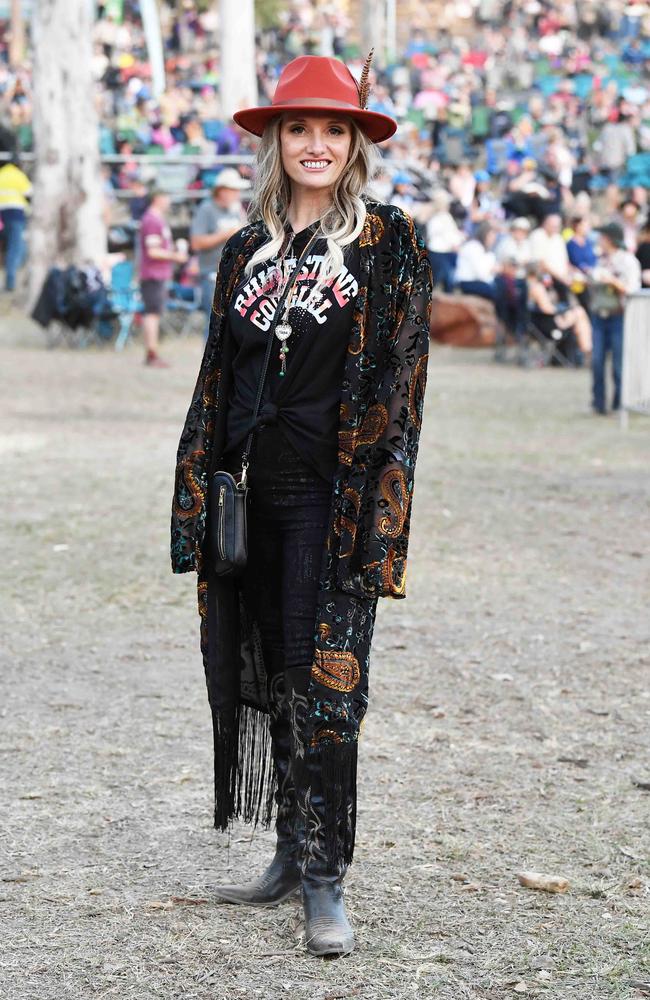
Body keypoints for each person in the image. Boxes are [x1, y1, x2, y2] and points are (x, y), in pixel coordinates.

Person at [170, 54, 432, 959]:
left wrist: (380, 522)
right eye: (298, 128)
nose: (315, 144)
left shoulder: (388, 241)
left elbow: (401, 392)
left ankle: (326, 880)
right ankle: (287, 850)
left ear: (355, 144)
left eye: (333, 129)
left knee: (327, 688)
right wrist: (200, 490)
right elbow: (217, 377)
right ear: (274, 143)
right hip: (249, 497)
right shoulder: (246, 249)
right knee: (272, 671)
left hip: (334, 497)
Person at [190, 168, 250, 337]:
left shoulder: (236, 209)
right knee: (215, 323)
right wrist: (226, 234)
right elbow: (196, 242)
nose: (238, 194)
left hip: (236, 274)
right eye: (234, 190)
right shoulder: (206, 209)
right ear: (222, 191)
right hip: (212, 275)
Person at [589, 222, 641, 414]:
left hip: (619, 316)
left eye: (602, 237)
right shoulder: (600, 259)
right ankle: (598, 402)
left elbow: (632, 289)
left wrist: (612, 281)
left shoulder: (627, 261)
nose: (599, 241)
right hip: (599, 315)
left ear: (610, 239)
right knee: (596, 361)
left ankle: (620, 402)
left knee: (619, 363)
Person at [138, 190, 187, 367]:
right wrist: (175, 256)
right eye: (166, 197)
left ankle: (153, 352)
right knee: (152, 313)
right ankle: (151, 353)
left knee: (154, 313)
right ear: (157, 199)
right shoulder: (152, 220)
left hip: (157, 274)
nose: (168, 201)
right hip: (153, 274)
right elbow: (153, 251)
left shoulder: (156, 219)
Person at [0, 155, 31, 292]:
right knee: (15, 249)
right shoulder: (18, 175)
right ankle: (11, 283)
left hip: (1, 217)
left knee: (7, 249)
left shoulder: (1, 174)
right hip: (16, 216)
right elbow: (30, 192)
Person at [454, 221, 498, 299]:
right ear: (484, 234)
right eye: (491, 236)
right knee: (495, 290)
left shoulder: (488, 252)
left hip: (478, 282)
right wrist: (492, 270)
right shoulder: (474, 247)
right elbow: (481, 274)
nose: (493, 239)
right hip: (466, 282)